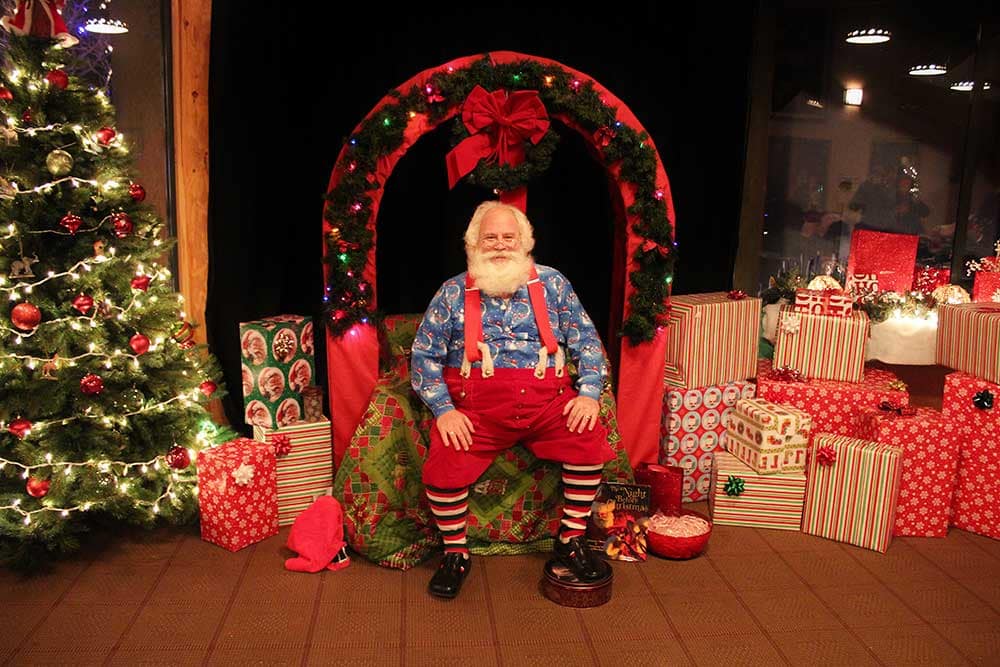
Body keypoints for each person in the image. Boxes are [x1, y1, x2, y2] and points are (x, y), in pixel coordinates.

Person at [411, 200, 615, 599]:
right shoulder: (452, 292)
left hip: (547, 403)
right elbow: (424, 356)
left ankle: (570, 539)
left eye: (509, 237)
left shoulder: (554, 284)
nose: (501, 245)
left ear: (525, 242)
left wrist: (590, 393)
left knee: (589, 441)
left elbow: (587, 342)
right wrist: (444, 410)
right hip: (478, 410)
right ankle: (455, 553)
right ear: (473, 243)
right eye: (490, 237)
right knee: (445, 461)